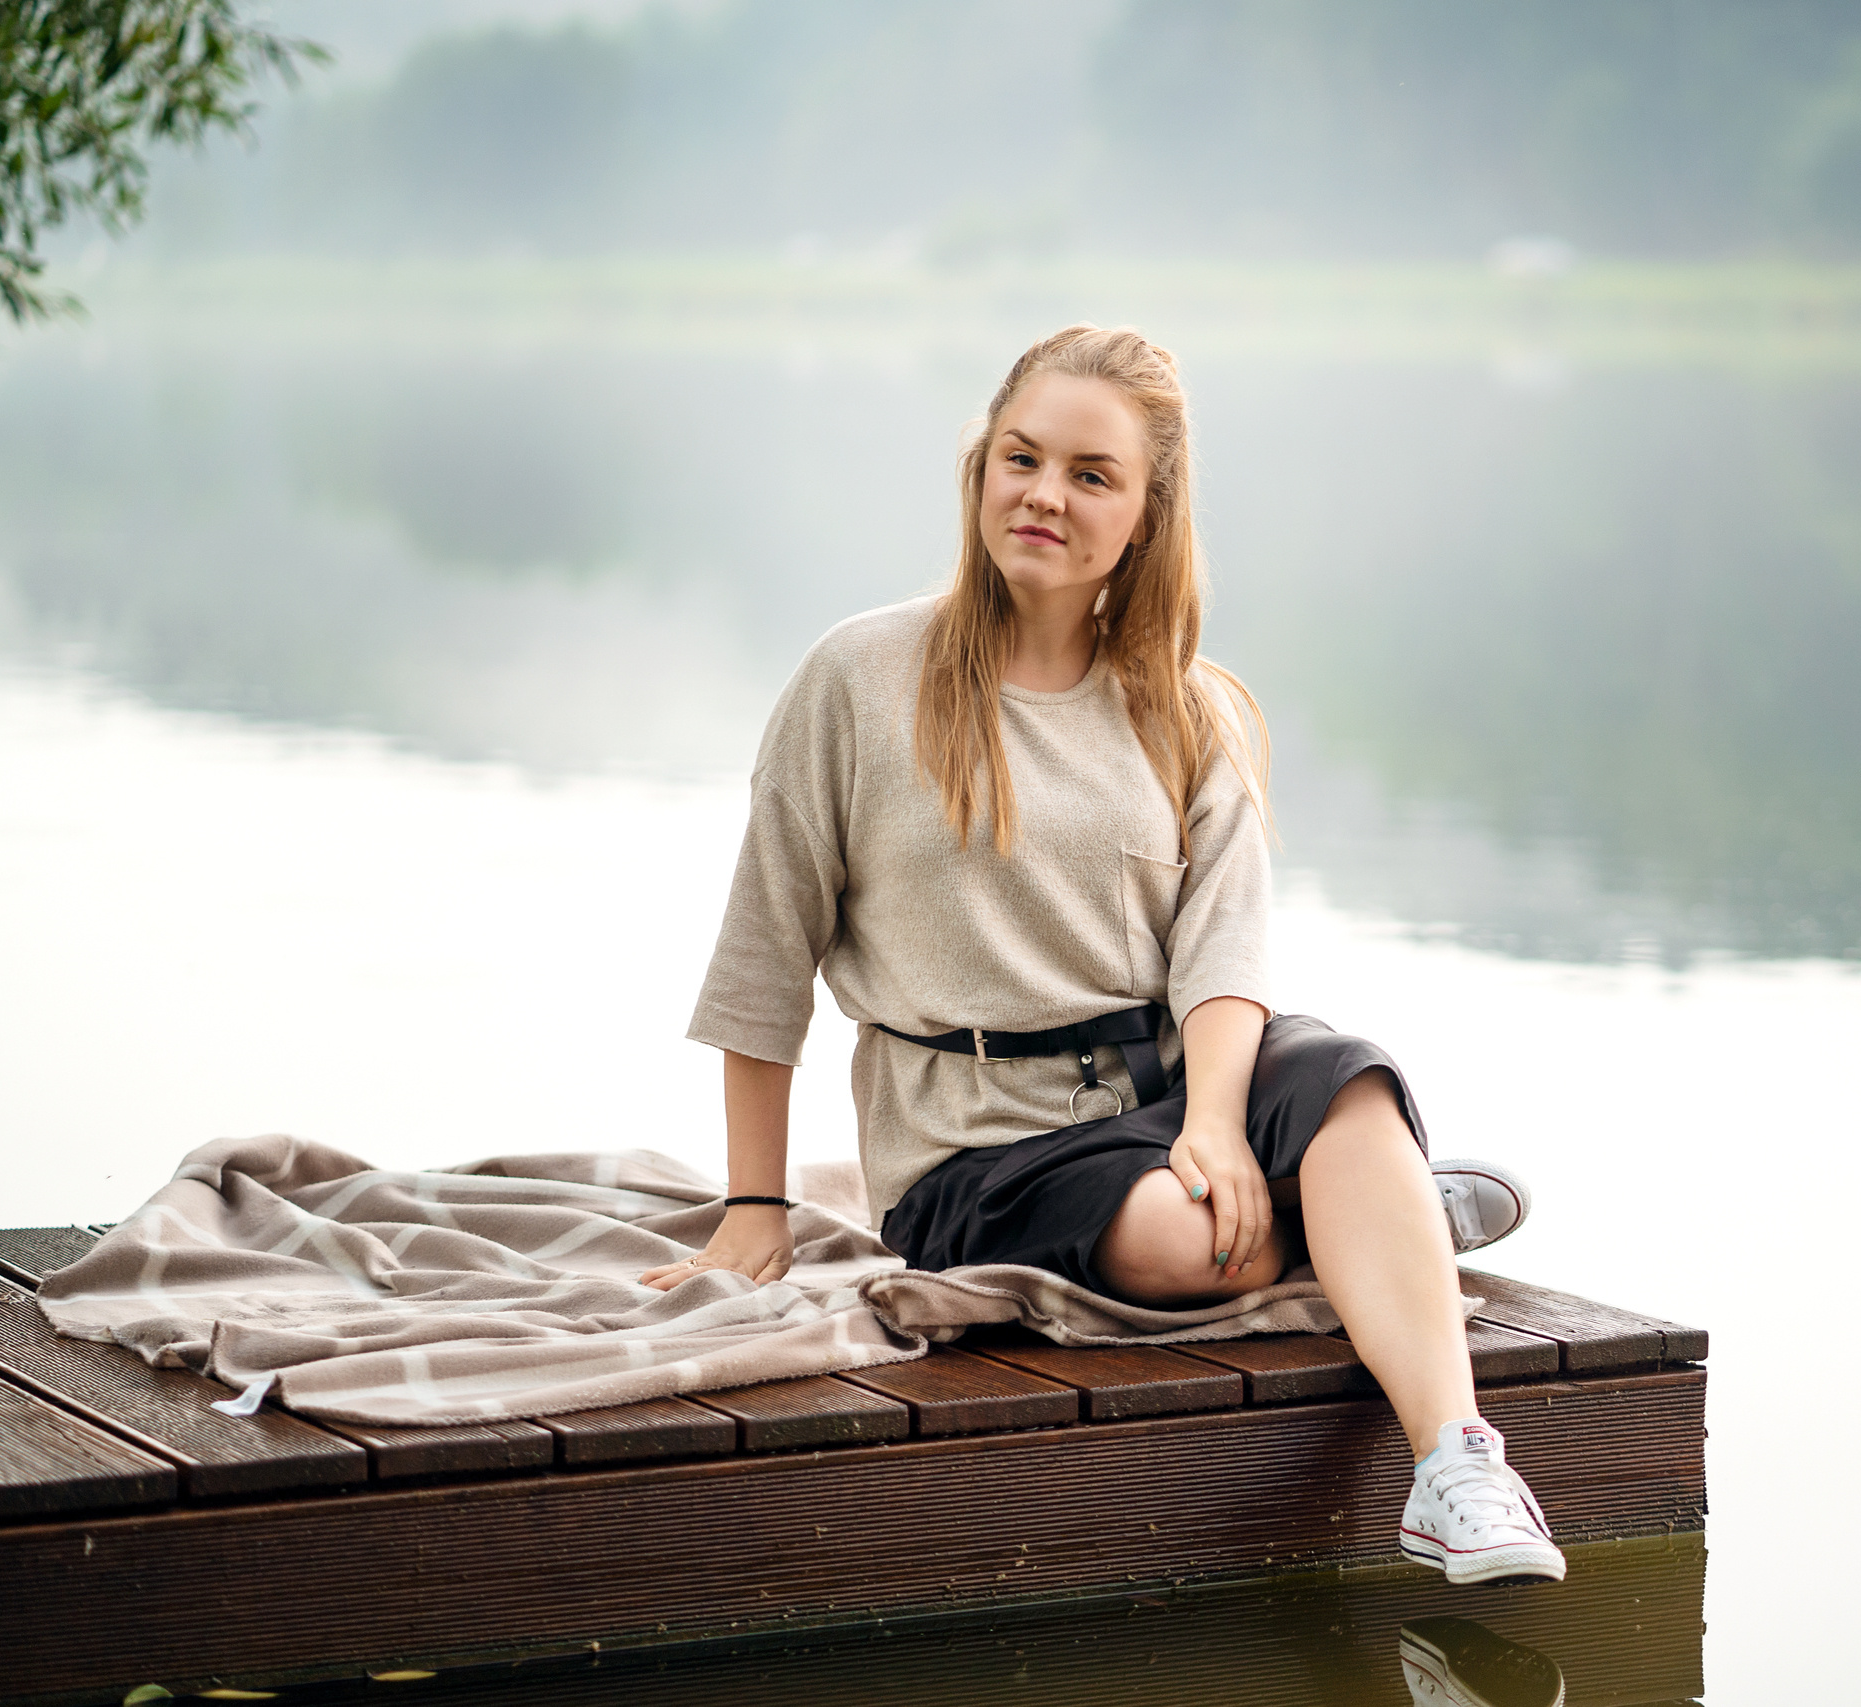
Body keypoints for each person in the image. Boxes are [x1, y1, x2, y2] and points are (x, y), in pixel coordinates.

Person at [642, 325, 1562, 1587]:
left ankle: (1456, 1469)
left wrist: (1220, 1121)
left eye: (1090, 474)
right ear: (978, 471)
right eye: (1022, 458)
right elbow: (763, 955)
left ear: (1144, 512)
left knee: (1345, 1073)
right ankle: (1378, 1215)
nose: (1045, 495)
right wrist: (755, 1209)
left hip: (1174, 1085)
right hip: (971, 1149)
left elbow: (1224, 953)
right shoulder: (856, 677)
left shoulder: (1189, 708)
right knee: (1196, 1249)